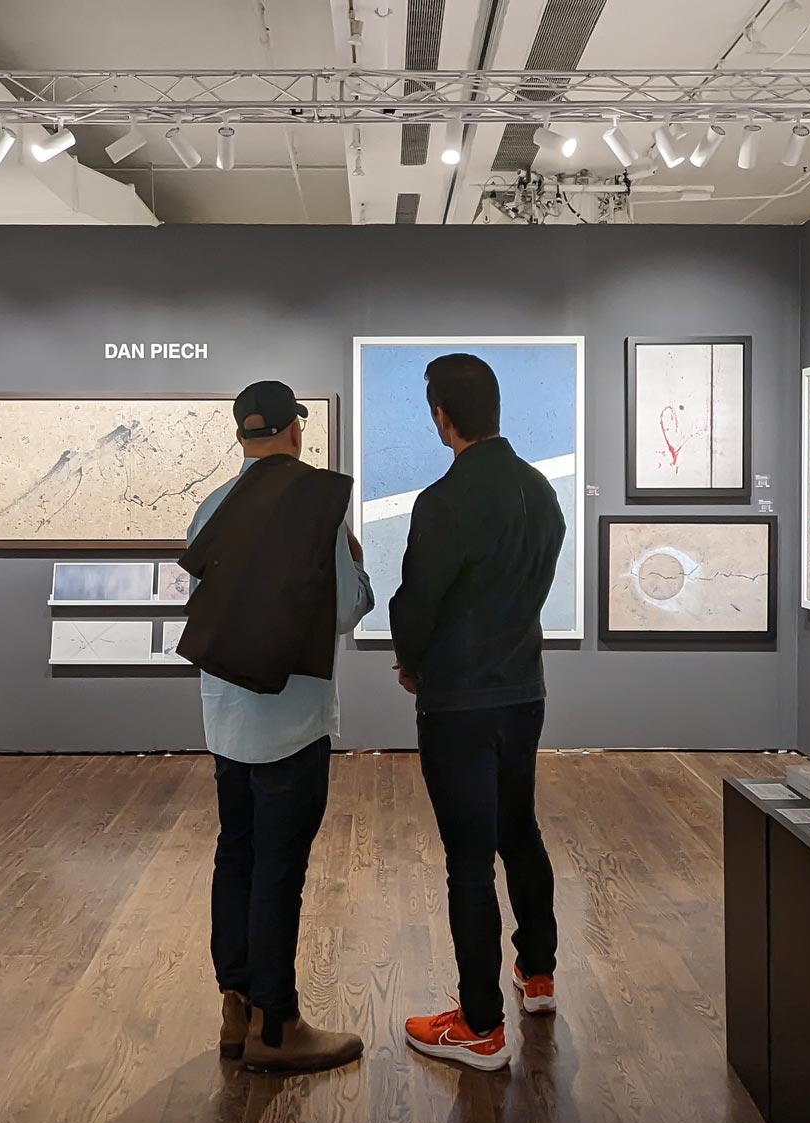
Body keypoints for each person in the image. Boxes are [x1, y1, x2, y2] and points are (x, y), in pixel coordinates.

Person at [175, 380, 373, 1074]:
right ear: (297, 429)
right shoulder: (320, 502)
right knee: (279, 868)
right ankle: (277, 1024)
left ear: (240, 435)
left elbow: (205, 604)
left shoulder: (210, 507)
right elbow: (343, 612)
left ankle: (236, 1008)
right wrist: (357, 569)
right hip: (291, 721)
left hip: (227, 718)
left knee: (236, 853)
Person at [389, 353, 565, 1072]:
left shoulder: (444, 500)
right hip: (523, 690)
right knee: (519, 829)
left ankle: (481, 1026)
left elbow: (417, 601)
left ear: (442, 418)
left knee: (469, 859)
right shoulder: (540, 491)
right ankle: (538, 973)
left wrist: (411, 661)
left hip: (459, 701)